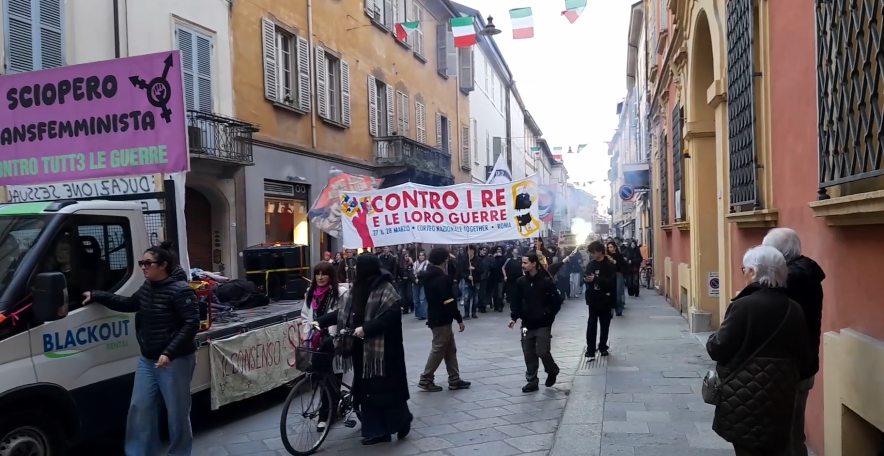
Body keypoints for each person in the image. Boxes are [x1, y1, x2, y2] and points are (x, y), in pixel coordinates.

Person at [83, 241, 199, 456]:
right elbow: (130, 303)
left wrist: (169, 352)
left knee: (177, 413)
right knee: (140, 408)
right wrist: (98, 295)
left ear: (163, 265)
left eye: (148, 263)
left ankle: (179, 452)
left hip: (175, 361)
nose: (143, 267)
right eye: (141, 263)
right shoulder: (148, 287)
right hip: (148, 359)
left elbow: (191, 324)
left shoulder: (181, 291)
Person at [706, 245, 811, 456]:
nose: (743, 274)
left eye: (744, 269)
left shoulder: (744, 306)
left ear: (754, 272)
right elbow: (804, 357)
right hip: (781, 396)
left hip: (745, 396)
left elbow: (718, 348)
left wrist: (712, 339)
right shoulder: (794, 308)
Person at [314, 254, 412, 445]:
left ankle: (400, 422)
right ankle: (378, 431)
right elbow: (344, 312)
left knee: (385, 393)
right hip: (361, 349)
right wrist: (320, 321)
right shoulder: (357, 288)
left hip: (384, 353)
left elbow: (390, 316)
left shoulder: (386, 288)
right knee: (367, 392)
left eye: (358, 267)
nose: (355, 270)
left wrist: (366, 328)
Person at [762, 228, 825, 456]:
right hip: (804, 363)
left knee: (783, 433)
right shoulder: (807, 275)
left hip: (786, 367)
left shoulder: (787, 282)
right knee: (794, 430)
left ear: (776, 254)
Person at [299, 261, 348, 432]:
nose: (320, 277)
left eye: (324, 274)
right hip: (316, 341)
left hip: (335, 340)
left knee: (334, 378)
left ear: (331, 276)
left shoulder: (340, 293)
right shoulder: (310, 293)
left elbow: (344, 315)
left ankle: (326, 414)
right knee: (322, 378)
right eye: (317, 274)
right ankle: (327, 412)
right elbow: (305, 316)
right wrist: (307, 332)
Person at [418, 248, 472, 392]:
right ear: (444, 260)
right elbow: (449, 300)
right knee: (438, 349)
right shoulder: (441, 278)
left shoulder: (429, 274)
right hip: (442, 317)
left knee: (450, 349)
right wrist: (458, 318)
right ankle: (426, 379)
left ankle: (454, 379)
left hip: (435, 315)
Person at [509, 252, 562, 393]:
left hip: (543, 323)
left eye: (525, 262)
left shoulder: (546, 281)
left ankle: (552, 370)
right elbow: (516, 301)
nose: (523, 265)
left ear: (534, 264)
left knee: (542, 351)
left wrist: (548, 315)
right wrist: (514, 317)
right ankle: (532, 381)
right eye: (522, 262)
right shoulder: (521, 282)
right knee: (528, 352)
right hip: (526, 324)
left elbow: (556, 302)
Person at [584, 241, 616, 360]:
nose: (592, 255)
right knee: (591, 324)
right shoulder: (591, 264)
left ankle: (603, 346)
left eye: (594, 252)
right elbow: (586, 275)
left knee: (604, 325)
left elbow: (611, 283)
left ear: (600, 252)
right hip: (593, 299)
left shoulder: (609, 265)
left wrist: (596, 279)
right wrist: (586, 279)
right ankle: (590, 349)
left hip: (605, 299)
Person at [458, 246, 483, 319]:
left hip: (476, 281)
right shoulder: (464, 260)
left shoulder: (478, 260)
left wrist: (474, 268)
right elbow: (461, 271)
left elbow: (482, 270)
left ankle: (474, 312)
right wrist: (467, 276)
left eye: (471, 250)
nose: (470, 252)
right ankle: (466, 313)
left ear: (474, 251)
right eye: (468, 250)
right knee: (466, 297)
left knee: (475, 298)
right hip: (467, 281)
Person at [606, 241, 627, 316]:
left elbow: (623, 265)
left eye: (611, 247)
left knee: (618, 293)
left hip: (618, 275)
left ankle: (619, 309)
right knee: (610, 294)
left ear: (615, 247)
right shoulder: (606, 256)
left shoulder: (619, 256)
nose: (609, 249)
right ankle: (611, 310)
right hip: (609, 276)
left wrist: (614, 261)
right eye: (608, 247)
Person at [412, 251, 429, 320]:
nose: (421, 257)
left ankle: (423, 314)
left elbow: (426, 273)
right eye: (420, 255)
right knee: (416, 300)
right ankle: (418, 313)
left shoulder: (427, 264)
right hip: (416, 283)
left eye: (422, 255)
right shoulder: (415, 264)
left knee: (422, 299)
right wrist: (414, 279)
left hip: (423, 283)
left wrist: (420, 272)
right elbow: (412, 273)